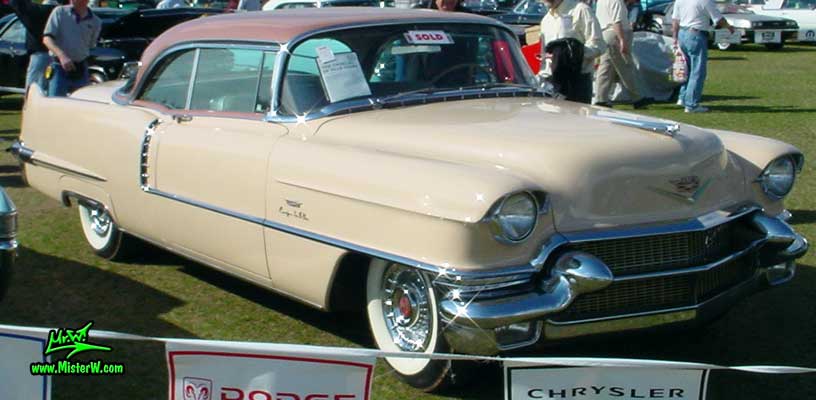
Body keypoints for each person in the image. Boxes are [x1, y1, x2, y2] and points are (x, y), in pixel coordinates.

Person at [671, 0, 733, 113]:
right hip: (696, 34)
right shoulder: (705, 1)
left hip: (682, 33)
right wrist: (729, 27)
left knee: (686, 68)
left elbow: (675, 20)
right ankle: (691, 104)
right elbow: (718, 19)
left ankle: (683, 97)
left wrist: (675, 38)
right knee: (697, 71)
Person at [539, 0, 605, 103]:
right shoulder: (546, 20)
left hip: (577, 83)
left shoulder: (581, 10)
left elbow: (599, 45)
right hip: (550, 83)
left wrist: (573, 54)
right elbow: (545, 57)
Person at [594, 0, 651, 108]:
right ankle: (638, 98)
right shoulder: (617, 2)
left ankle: (601, 98)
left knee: (605, 69)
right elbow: (617, 22)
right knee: (626, 66)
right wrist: (622, 40)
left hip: (605, 34)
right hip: (614, 35)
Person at [42, 0, 101, 97]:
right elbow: (47, 39)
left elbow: (91, 45)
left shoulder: (95, 21)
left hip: (80, 68)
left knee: (81, 101)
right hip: (59, 67)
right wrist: (62, 56)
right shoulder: (60, 12)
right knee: (56, 102)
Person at [8, 0, 62, 92]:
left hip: (40, 56)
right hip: (61, 56)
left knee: (34, 90)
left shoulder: (37, 11)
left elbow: (17, 3)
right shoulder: (65, 14)